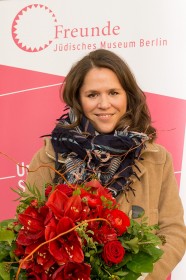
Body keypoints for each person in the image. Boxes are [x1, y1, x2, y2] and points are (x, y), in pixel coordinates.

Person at [26, 48, 186, 280]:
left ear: (127, 96)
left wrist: (140, 274)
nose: (104, 104)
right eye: (92, 95)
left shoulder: (156, 158)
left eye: (113, 93)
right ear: (78, 99)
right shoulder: (49, 157)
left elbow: (173, 232)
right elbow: (31, 231)